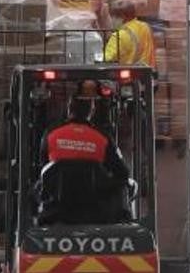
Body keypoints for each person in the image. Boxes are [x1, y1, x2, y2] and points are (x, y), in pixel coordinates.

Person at [37, 88, 133, 225]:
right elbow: (123, 173)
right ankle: (124, 224)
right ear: (91, 111)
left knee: (37, 185)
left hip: (56, 209)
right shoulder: (103, 137)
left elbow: (43, 168)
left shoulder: (51, 134)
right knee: (123, 185)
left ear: (69, 109)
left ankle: (37, 218)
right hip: (96, 210)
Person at [104, 0, 157, 68]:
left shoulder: (119, 36)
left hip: (129, 73)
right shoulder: (145, 27)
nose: (112, 20)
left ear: (123, 17)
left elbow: (107, 58)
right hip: (148, 72)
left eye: (114, 17)